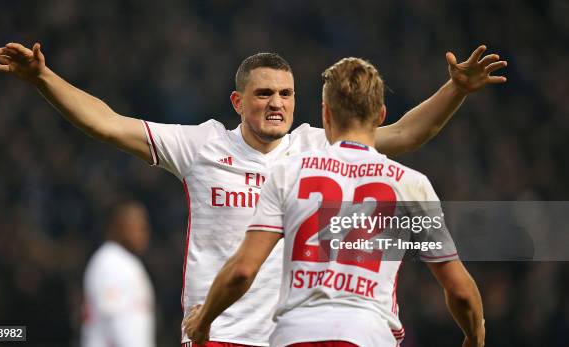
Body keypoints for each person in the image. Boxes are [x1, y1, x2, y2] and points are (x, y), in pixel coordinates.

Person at [0, 43, 503, 346]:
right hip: (221, 335)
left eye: (285, 94)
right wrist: (44, 78)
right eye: (263, 94)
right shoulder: (201, 145)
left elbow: (406, 134)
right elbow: (108, 124)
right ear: (238, 101)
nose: (276, 104)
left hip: (290, 336)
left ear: (302, 101)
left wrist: (454, 89)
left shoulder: (313, 147)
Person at [184, 57, 484, 347]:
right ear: (380, 115)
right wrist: (474, 336)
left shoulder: (290, 173)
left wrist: (204, 319)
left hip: (295, 334)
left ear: (325, 114)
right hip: (369, 334)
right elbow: (459, 290)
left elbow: (242, 270)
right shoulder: (409, 184)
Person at [82, 201, 156, 347]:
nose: (144, 233)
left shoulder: (122, 261)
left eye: (144, 227)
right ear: (116, 227)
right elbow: (118, 324)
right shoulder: (112, 263)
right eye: (137, 227)